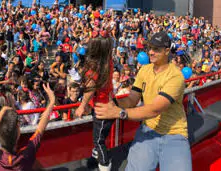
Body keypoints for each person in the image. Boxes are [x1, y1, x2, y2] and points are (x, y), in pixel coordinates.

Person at [94, 31, 191, 171]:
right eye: (150, 48)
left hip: (174, 133)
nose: (151, 52)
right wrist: (112, 104)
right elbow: (132, 99)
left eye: (156, 49)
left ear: (167, 51)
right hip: (148, 130)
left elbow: (154, 109)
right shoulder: (144, 70)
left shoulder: (175, 76)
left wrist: (119, 112)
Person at [0, 83, 56, 171]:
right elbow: (40, 128)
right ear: (18, 135)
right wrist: (52, 101)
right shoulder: (26, 154)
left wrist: (3, 109)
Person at [74, 36, 115, 171]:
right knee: (99, 137)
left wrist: (81, 105)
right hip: (109, 104)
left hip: (101, 108)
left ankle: (104, 164)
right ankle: (95, 159)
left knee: (98, 141)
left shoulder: (94, 68)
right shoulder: (108, 61)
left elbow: (90, 89)